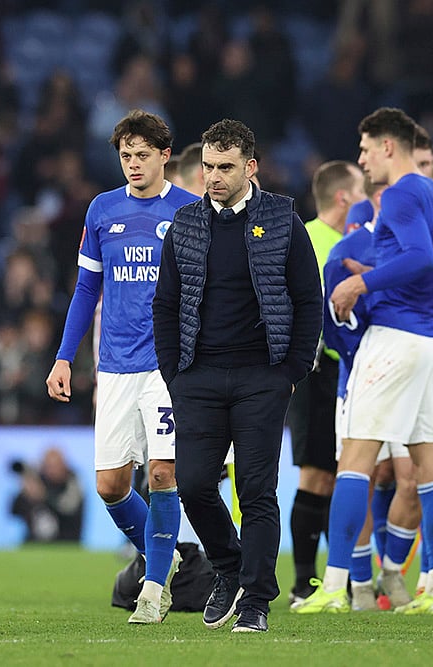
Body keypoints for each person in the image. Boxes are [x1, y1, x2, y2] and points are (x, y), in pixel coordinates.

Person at [151, 118, 322, 634]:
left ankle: (257, 600)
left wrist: (291, 370)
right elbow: (165, 305)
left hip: (261, 377)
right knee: (196, 485)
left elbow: (308, 300)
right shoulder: (184, 223)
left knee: (256, 490)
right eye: (207, 166)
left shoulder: (283, 218)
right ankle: (228, 569)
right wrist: (173, 373)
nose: (213, 176)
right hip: (197, 376)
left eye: (225, 167)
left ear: (251, 167)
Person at [296, 107, 433, 615]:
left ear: (389, 146)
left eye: (366, 148)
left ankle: (334, 586)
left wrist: (360, 281)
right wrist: (377, 268)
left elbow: (420, 257)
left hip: (395, 340)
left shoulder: (403, 193)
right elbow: (432, 265)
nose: (362, 158)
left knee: (354, 463)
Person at [45, 110, 198, 624]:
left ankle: (153, 590)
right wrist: (65, 356)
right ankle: (168, 554)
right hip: (113, 366)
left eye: (142, 155)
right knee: (111, 485)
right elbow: (87, 289)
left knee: (161, 471)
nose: (133, 164)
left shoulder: (190, 211)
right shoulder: (101, 210)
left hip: (169, 365)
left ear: (164, 156)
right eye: (125, 156)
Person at [288, 160, 366, 605]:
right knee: (316, 476)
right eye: (359, 191)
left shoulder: (354, 242)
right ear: (342, 197)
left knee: (346, 476)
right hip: (317, 372)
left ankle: (347, 579)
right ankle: (304, 582)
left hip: (354, 371)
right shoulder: (311, 240)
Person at [9, 447, 84, 543]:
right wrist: (24, 492)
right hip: (33, 544)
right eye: (49, 466)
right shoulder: (39, 481)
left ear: (64, 466)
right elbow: (14, 511)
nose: (52, 470)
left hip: (65, 543)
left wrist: (42, 495)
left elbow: (69, 508)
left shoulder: (72, 482)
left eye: (55, 466)